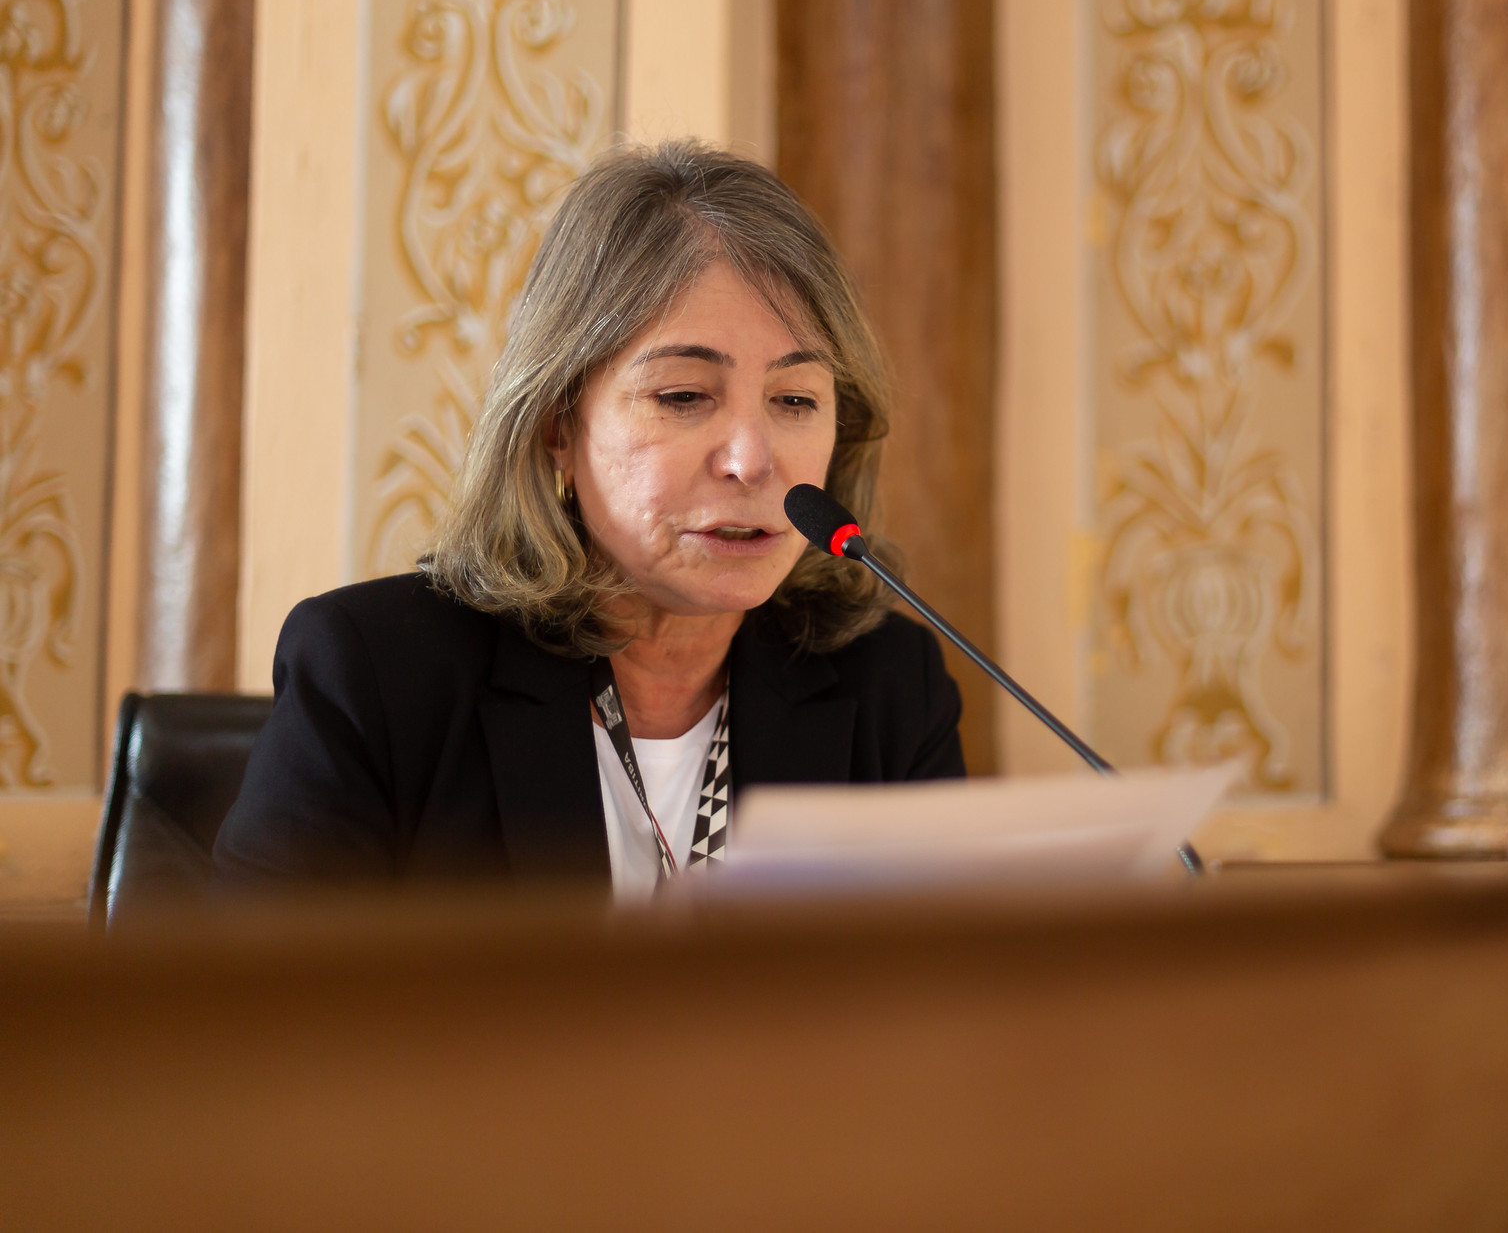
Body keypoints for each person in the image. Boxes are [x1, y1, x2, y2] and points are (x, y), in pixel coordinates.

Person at [214, 142, 965, 895]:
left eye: (795, 400)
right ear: (557, 426)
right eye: (683, 396)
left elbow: (957, 1004)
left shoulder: (889, 692)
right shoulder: (376, 680)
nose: (750, 459)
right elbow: (251, 1008)